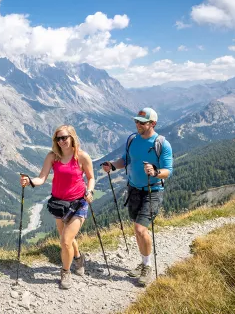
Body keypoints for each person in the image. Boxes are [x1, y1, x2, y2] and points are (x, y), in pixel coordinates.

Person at [101, 107, 173, 286]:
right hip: (133, 189)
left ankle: (147, 267)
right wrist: (112, 165)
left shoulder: (162, 144)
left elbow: (168, 171)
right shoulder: (132, 139)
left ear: (153, 124)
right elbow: (125, 160)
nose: (137, 124)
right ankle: (143, 262)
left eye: (142, 122)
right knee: (137, 229)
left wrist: (156, 172)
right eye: (136, 121)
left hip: (153, 190)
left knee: (141, 229)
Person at [20, 125, 95, 289]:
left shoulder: (82, 157)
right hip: (59, 204)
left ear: (72, 138)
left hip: (78, 203)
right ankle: (78, 258)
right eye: (58, 139)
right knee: (67, 238)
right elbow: (42, 178)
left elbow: (91, 178)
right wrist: (30, 181)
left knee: (65, 240)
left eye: (64, 138)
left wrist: (90, 191)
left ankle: (65, 272)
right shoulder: (53, 157)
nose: (61, 141)